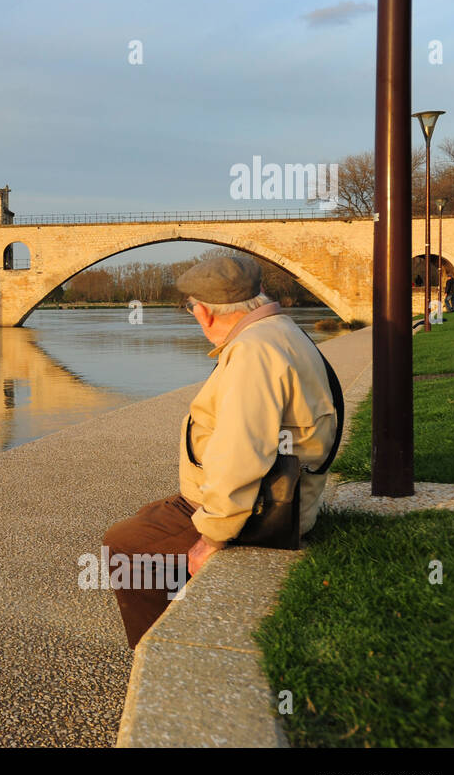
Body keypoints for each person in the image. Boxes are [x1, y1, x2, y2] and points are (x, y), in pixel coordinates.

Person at [102, 257, 338, 648]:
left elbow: (241, 454)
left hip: (267, 512)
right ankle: (184, 613)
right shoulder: (276, 331)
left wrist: (211, 539)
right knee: (149, 517)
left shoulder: (253, 354)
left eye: (191, 311)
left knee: (125, 544)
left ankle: (163, 651)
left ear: (205, 313)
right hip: (287, 494)